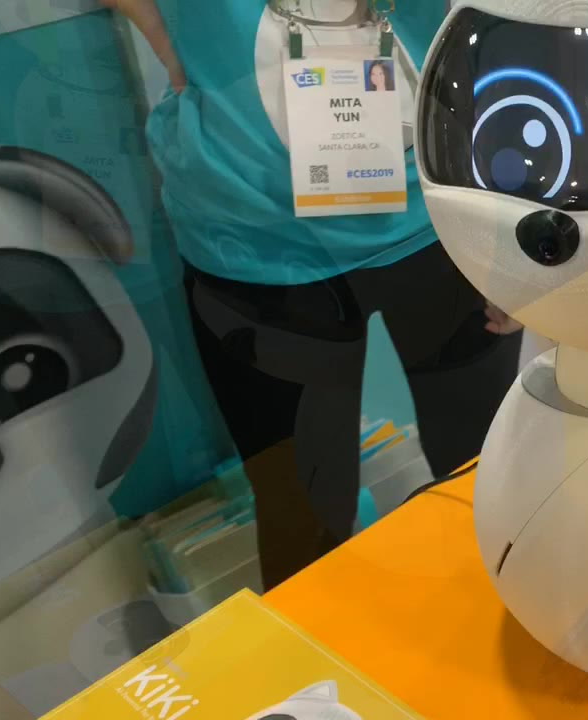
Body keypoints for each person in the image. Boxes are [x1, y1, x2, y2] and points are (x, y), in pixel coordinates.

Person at [106, 0, 523, 588]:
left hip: (446, 210)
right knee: (303, 514)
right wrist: (158, 29)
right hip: (254, 238)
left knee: (484, 471)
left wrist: (517, 221)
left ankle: (495, 615)